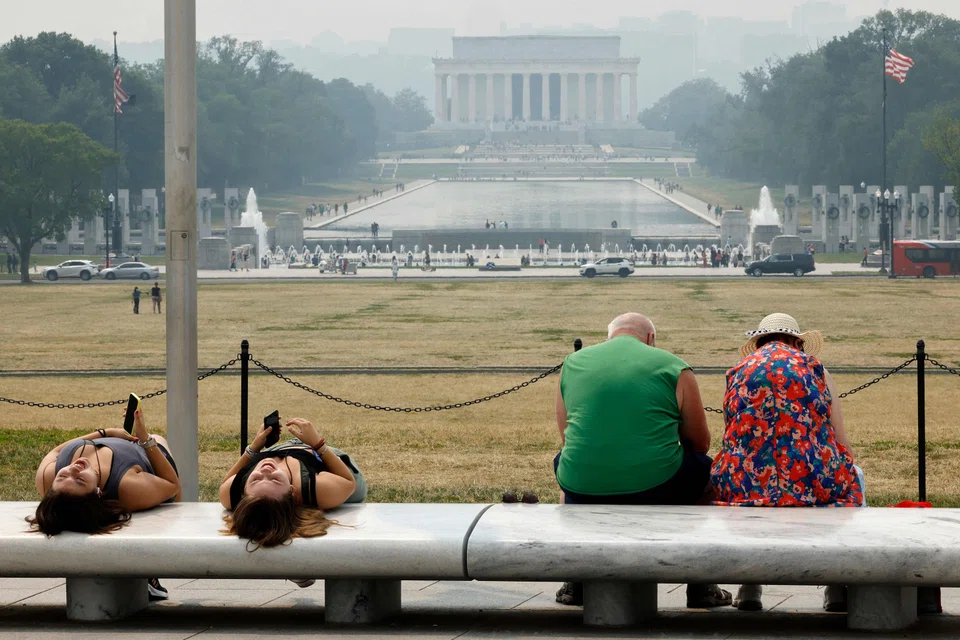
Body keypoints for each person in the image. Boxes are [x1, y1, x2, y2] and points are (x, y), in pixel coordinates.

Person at [553, 313, 730, 609]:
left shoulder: (573, 364)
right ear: (650, 339)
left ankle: (577, 579)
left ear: (609, 337)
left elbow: (566, 438)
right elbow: (699, 443)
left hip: (584, 486)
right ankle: (701, 584)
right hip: (658, 484)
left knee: (566, 465)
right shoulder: (673, 366)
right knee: (707, 474)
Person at [710, 313, 863, 612]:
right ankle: (837, 587)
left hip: (747, 487)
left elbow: (730, 434)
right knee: (854, 477)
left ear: (759, 342)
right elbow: (840, 440)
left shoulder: (739, 370)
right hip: (810, 483)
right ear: (797, 342)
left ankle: (750, 586)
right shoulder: (815, 369)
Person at [29, 401, 181, 600]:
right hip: (146, 455)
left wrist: (105, 432)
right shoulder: (127, 487)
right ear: (99, 492)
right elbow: (172, 484)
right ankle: (149, 576)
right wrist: (145, 439)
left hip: (116, 439)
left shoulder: (47, 479)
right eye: (81, 480)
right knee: (159, 439)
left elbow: (55, 453)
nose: (73, 469)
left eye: (63, 476)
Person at [219, 415, 367, 552]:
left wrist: (254, 447)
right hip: (329, 464)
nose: (265, 472)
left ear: (244, 491)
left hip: (278, 450)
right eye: (275, 479)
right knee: (353, 488)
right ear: (292, 491)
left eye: (255, 479)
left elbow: (226, 482)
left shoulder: (233, 493)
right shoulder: (311, 487)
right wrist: (318, 444)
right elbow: (349, 483)